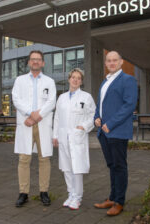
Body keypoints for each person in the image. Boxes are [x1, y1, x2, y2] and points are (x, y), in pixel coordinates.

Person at [93, 51, 138, 216]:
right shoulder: (105, 81)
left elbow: (129, 105)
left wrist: (110, 124)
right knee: (112, 166)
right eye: (109, 61)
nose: (112, 63)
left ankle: (119, 202)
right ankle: (112, 198)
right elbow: (100, 104)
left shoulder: (128, 80)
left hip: (117, 131)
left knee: (119, 167)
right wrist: (96, 118)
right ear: (106, 63)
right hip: (104, 132)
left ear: (121, 62)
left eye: (115, 60)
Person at [12, 50, 56, 207]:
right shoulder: (20, 80)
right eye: (33, 59)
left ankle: (44, 192)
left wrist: (36, 116)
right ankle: (23, 193)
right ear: (29, 63)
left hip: (42, 124)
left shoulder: (50, 82)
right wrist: (30, 114)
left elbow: (51, 102)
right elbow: (16, 99)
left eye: (38, 59)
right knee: (24, 159)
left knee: (44, 159)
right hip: (26, 123)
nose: (35, 62)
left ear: (43, 63)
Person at [52, 68, 95, 210]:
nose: (75, 80)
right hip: (63, 137)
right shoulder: (62, 97)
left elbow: (93, 116)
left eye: (78, 78)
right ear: (69, 79)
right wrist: (55, 135)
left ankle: (78, 197)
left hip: (77, 137)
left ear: (81, 81)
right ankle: (70, 193)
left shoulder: (86, 97)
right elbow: (57, 117)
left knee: (77, 168)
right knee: (66, 168)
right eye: (73, 77)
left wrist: (84, 126)